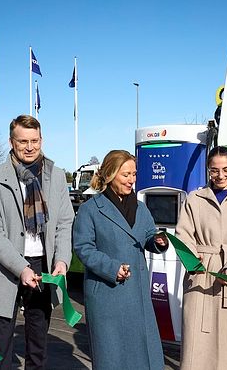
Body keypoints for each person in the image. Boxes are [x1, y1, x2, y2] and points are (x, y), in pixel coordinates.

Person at [0, 114, 74, 369]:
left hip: (43, 268)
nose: (29, 147)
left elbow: (65, 223)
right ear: (11, 142)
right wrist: (21, 268)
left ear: (41, 139)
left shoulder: (57, 176)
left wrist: (62, 260)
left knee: (38, 349)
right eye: (23, 141)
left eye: (34, 141)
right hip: (5, 269)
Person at [72, 150, 169, 370]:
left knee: (142, 353)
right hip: (108, 293)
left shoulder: (141, 207)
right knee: (112, 355)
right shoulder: (90, 210)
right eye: (126, 175)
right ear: (110, 174)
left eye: (134, 174)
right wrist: (112, 268)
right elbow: (83, 248)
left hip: (137, 292)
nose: (132, 180)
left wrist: (157, 242)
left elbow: (147, 236)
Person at [176, 146, 227, 370]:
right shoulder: (194, 199)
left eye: (226, 169)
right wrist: (192, 262)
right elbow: (183, 235)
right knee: (199, 342)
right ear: (208, 171)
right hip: (201, 275)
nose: (221, 175)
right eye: (214, 170)